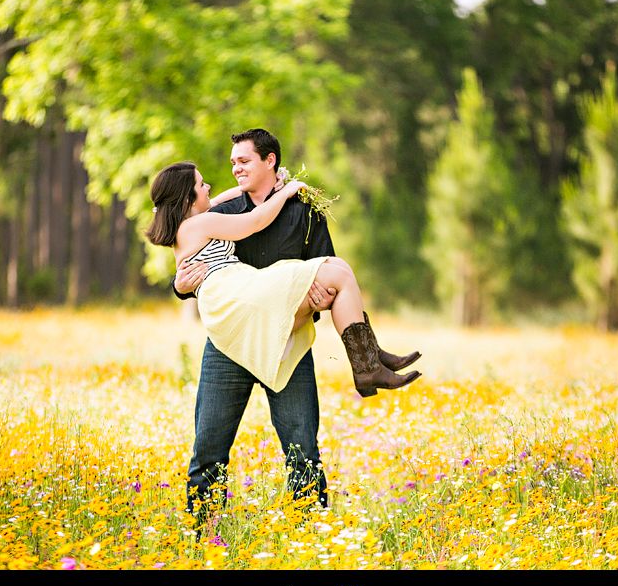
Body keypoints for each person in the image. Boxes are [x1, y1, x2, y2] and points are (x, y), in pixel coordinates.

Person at [148, 128, 421, 526]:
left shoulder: (304, 212)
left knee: (303, 449)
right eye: (230, 165)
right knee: (208, 450)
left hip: (286, 334)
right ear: (190, 197)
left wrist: (315, 301)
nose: (232, 171)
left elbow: (322, 271)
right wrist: (177, 284)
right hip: (230, 341)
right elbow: (195, 271)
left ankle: (309, 534)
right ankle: (201, 535)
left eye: (243, 162)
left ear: (269, 161)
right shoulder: (221, 217)